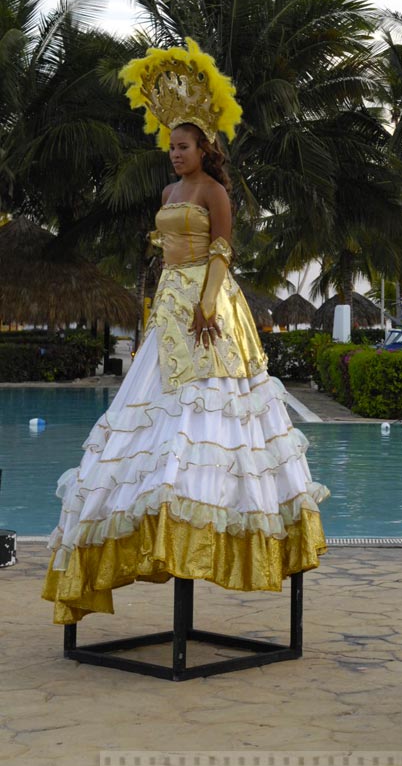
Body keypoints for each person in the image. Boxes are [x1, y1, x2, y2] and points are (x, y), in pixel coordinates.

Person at [43, 39, 328, 624]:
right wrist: (166, 305)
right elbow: (165, 254)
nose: (175, 155)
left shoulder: (213, 191)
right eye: (171, 146)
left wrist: (204, 305)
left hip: (209, 305)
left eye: (184, 146)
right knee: (149, 408)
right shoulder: (169, 192)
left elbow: (223, 249)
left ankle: (210, 514)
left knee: (211, 411)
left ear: (205, 148)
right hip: (170, 305)